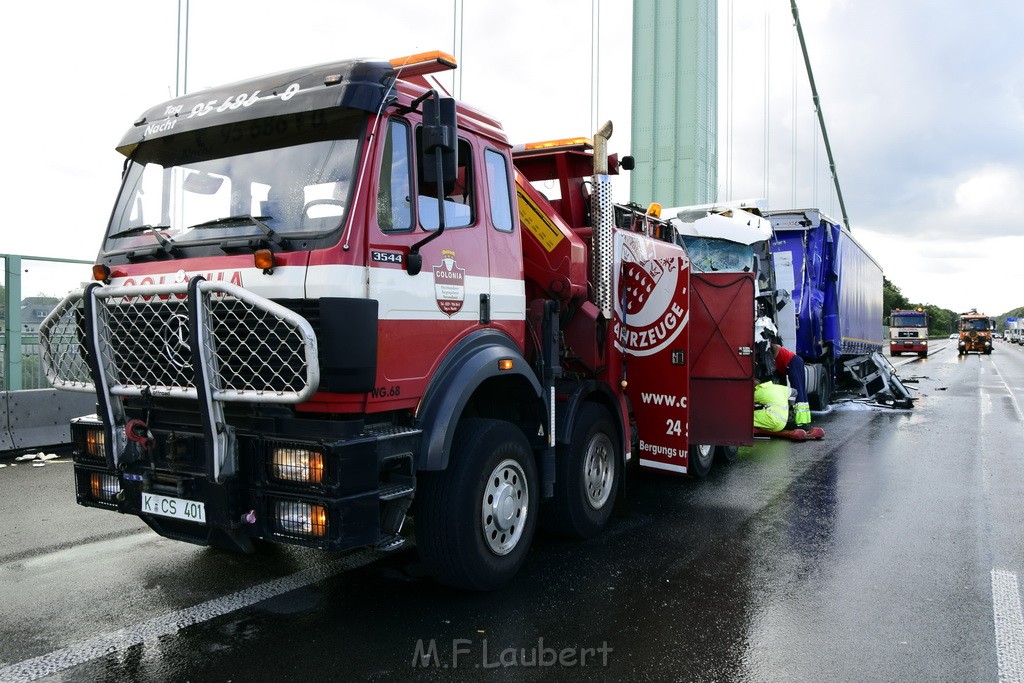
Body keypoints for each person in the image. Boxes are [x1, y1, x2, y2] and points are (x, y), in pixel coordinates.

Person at [770, 341, 811, 427]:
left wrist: (772, 359)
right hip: (793, 363)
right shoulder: (776, 363)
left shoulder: (771, 347)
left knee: (798, 390)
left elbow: (777, 347)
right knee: (800, 390)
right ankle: (804, 420)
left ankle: (801, 422)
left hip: (793, 362)